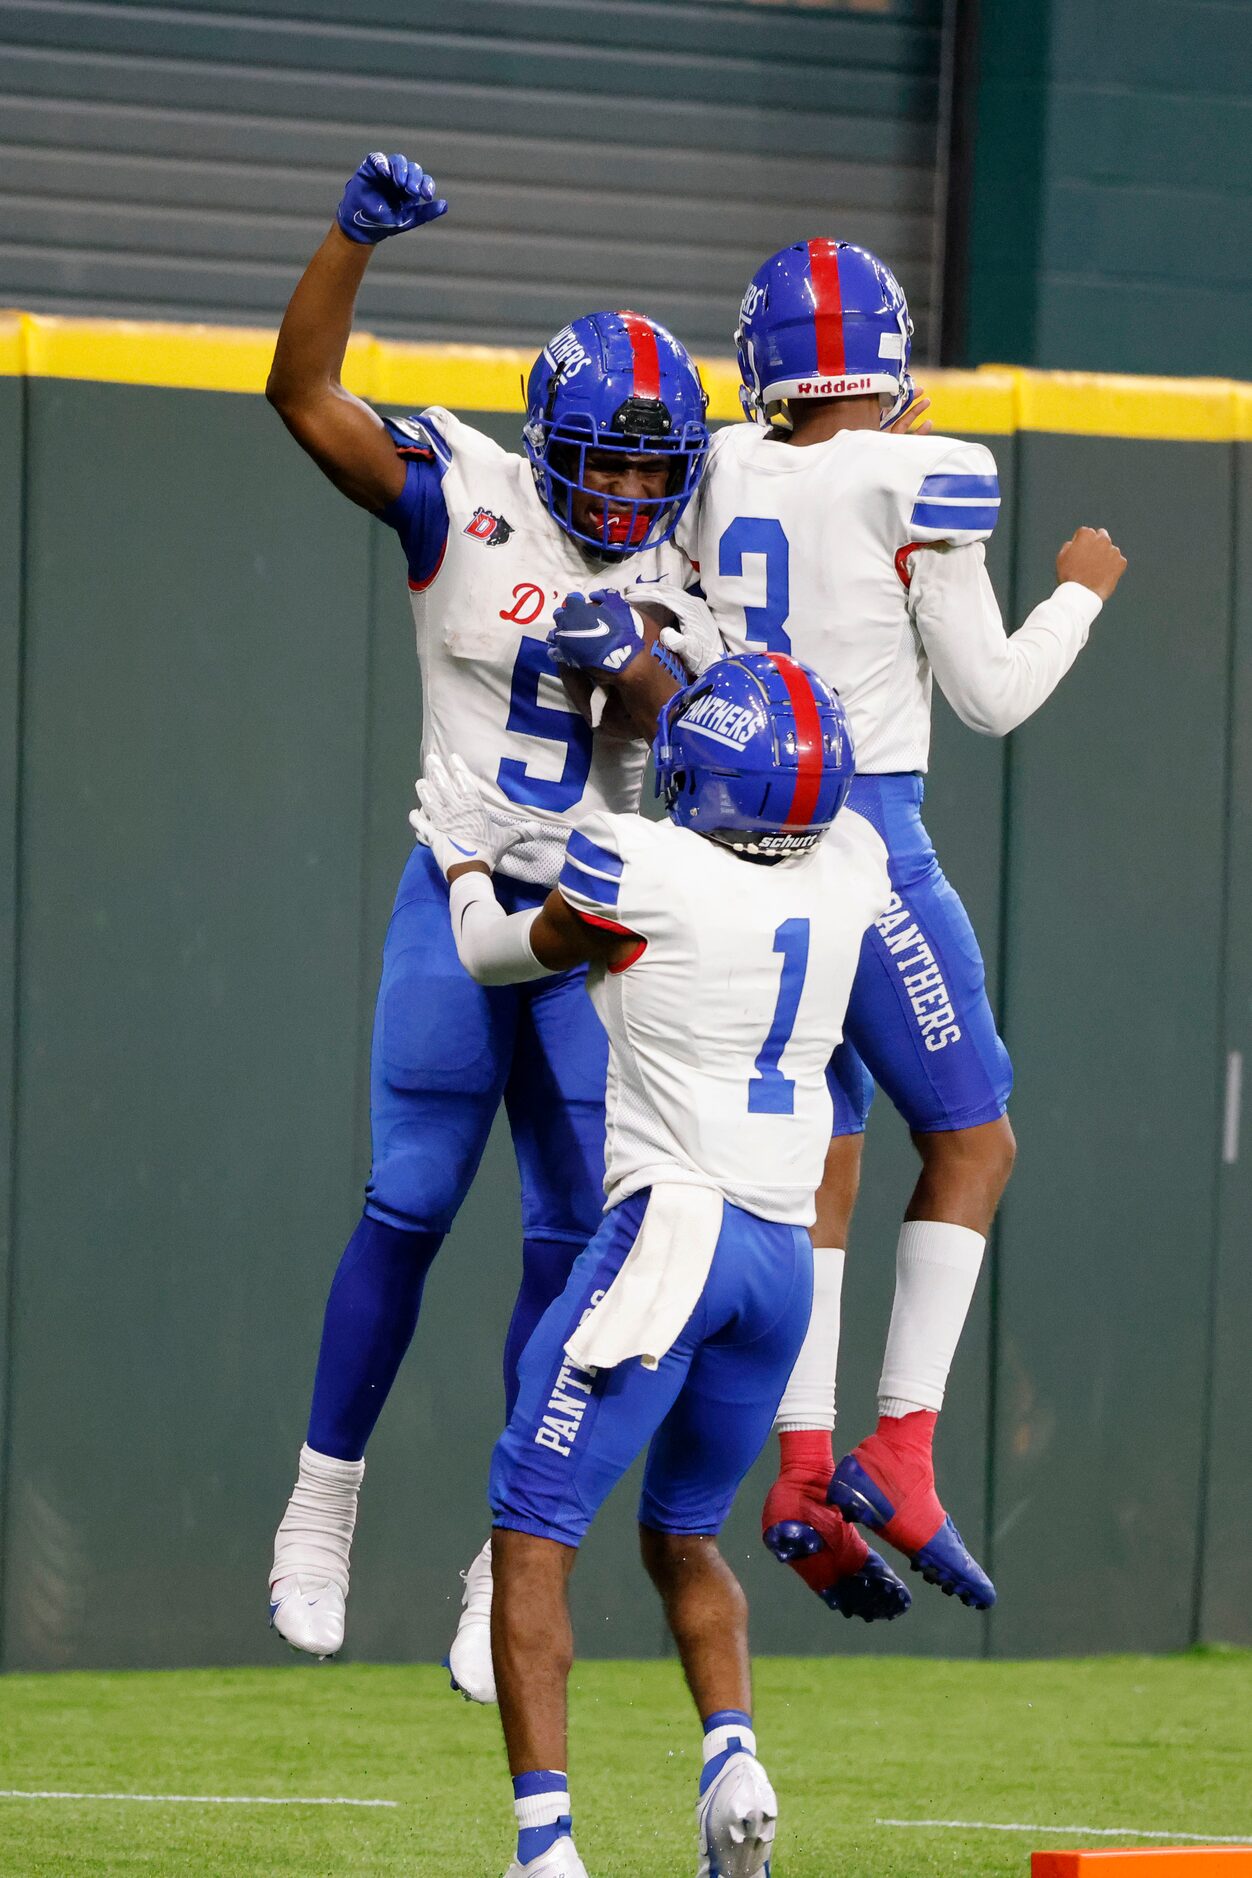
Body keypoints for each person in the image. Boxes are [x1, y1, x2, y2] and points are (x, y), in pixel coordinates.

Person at [590, 239, 1127, 1612]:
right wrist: (1080, 588)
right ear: (888, 362)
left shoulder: (719, 467)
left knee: (820, 1156)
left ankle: (806, 1462)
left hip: (735, 841)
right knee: (974, 1137)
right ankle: (899, 1446)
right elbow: (994, 695)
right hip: (864, 834)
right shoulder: (913, 482)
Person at [262, 150, 709, 1678]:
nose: (637, 492)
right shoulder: (471, 497)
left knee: (574, 1233)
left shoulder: (687, 573)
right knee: (407, 1196)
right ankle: (321, 1504)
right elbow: (303, 392)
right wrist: (347, 241)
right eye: (618, 463)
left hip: (595, 924)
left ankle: (496, 1554)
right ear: (552, 443)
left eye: (661, 470)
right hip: (457, 886)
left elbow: (689, 724)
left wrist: (633, 666)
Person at [412, 649, 900, 1878]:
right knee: (683, 1537)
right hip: (777, 1259)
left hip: (669, 1238)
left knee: (531, 1531)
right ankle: (732, 1756)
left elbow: (494, 953)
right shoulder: (856, 861)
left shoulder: (646, 865)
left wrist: (462, 857)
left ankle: (546, 1849)